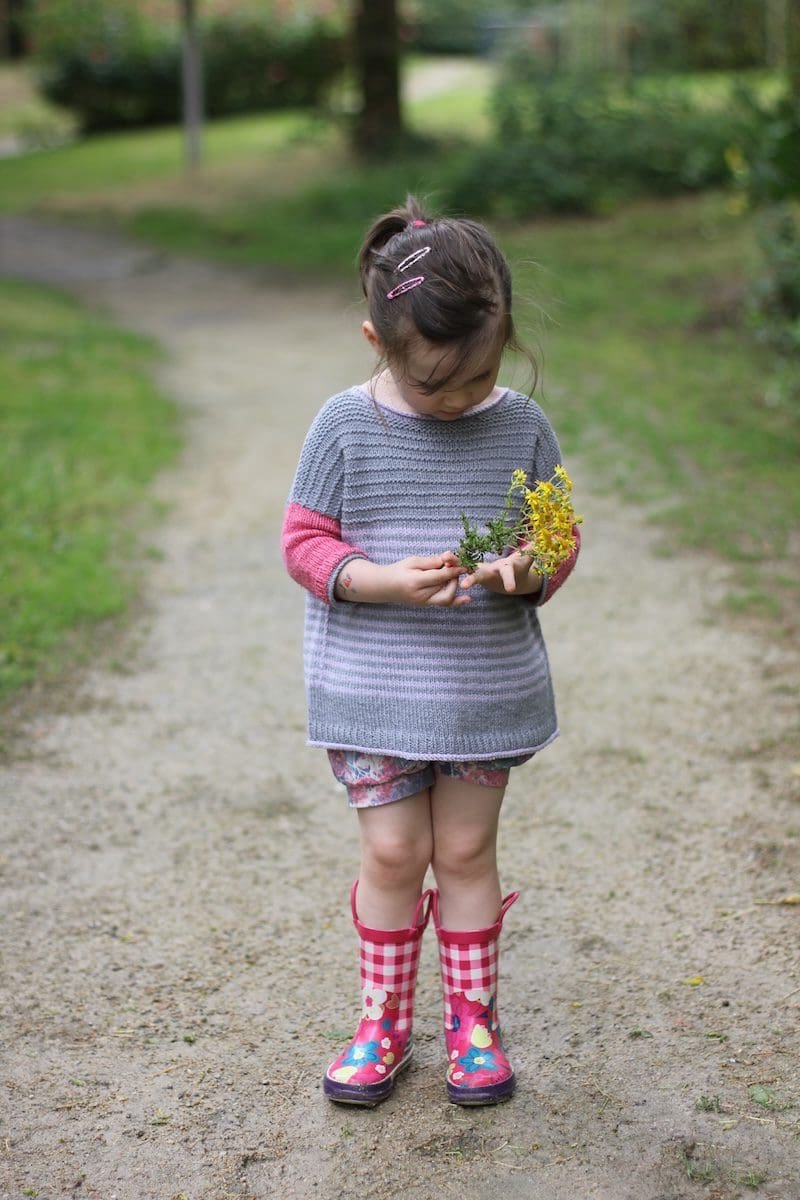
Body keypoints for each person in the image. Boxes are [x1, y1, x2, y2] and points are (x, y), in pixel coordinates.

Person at [281, 196, 580, 1108]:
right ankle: (381, 1019)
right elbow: (303, 543)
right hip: (372, 691)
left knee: (462, 849)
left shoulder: (521, 425)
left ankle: (474, 1023)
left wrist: (525, 572)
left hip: (479, 693)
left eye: (476, 377)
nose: (456, 402)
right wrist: (375, 579)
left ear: (505, 338)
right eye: (432, 388)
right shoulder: (342, 425)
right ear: (377, 340)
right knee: (394, 851)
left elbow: (558, 537)